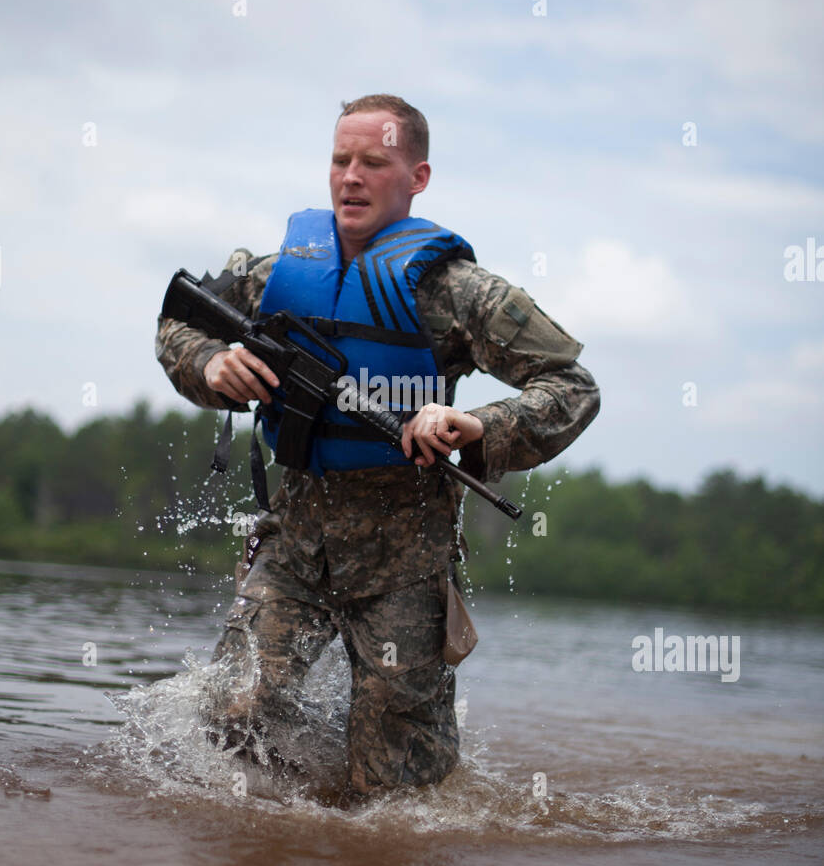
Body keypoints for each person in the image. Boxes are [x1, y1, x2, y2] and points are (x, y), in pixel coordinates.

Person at [155, 94, 600, 805]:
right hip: (293, 545)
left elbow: (573, 387)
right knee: (231, 717)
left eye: (373, 162)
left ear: (417, 177)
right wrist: (209, 366)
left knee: (394, 793)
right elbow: (176, 319)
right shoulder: (277, 272)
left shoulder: (459, 293)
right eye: (340, 161)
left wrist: (477, 424)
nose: (351, 178)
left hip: (406, 564)